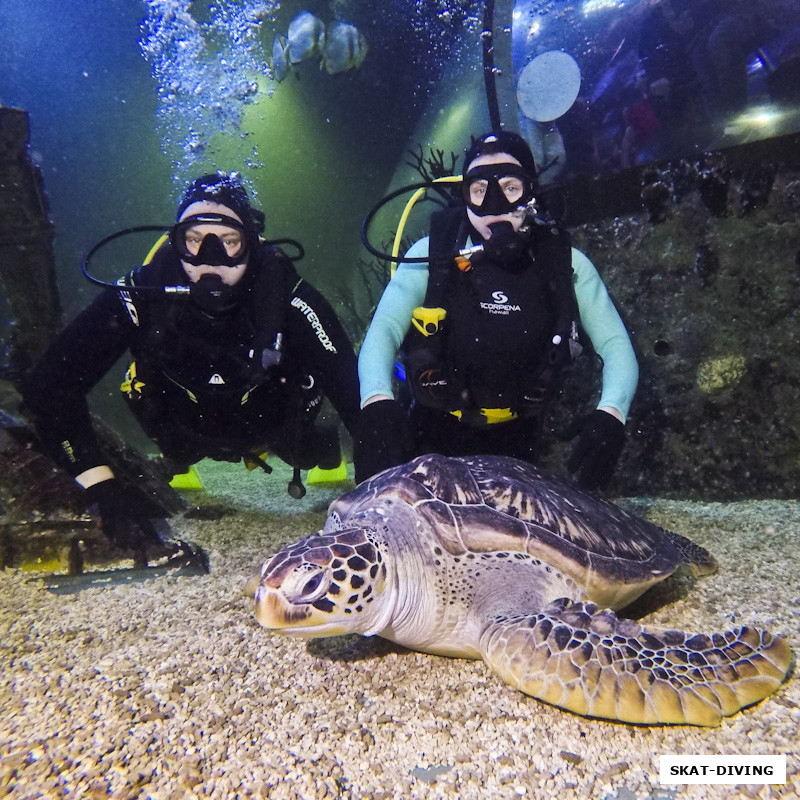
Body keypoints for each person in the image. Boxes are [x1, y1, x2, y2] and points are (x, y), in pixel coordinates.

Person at [22, 172, 360, 547]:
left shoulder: (288, 296)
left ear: (250, 242)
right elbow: (51, 385)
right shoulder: (142, 293)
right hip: (181, 430)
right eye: (195, 240)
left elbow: (356, 394)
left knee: (310, 451)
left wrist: (383, 482)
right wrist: (98, 484)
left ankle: (319, 444)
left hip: (274, 424)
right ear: (177, 241)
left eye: (229, 241)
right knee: (175, 450)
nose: (210, 259)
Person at [355, 131, 638, 490]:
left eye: (510, 187)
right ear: (465, 195)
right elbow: (383, 332)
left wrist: (612, 414)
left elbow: (614, 343)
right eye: (478, 190)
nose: (494, 204)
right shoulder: (431, 257)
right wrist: (377, 402)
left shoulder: (565, 264)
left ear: (531, 192)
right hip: (429, 436)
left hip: (519, 443)